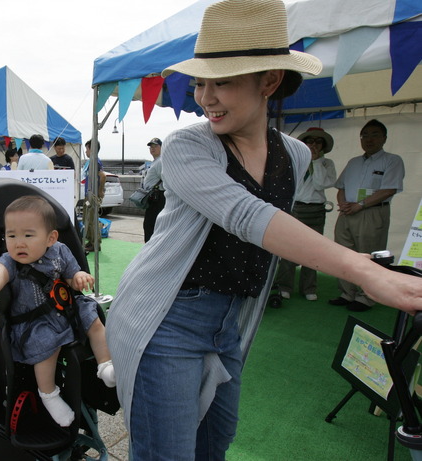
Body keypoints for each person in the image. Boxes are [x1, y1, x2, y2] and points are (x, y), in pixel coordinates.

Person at [105, 1, 422, 460]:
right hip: (167, 317)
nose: (206, 97)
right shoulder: (186, 146)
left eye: (224, 81)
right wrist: (366, 270)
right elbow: (248, 217)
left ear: (269, 81)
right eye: (200, 83)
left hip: (230, 321)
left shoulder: (294, 154)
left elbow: (271, 234)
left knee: (214, 445)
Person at [0, 196, 115, 427]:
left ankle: (105, 365)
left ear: (50, 238)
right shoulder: (9, 261)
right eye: (11, 235)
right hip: (35, 321)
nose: (19, 243)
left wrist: (78, 277)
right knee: (47, 348)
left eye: (28, 235)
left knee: (93, 319)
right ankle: (49, 394)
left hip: (64, 310)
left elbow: (71, 277)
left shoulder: (60, 251)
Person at [328, 119, 405, 312]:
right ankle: (347, 293)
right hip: (347, 213)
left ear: (384, 138)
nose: (369, 139)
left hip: (371, 212)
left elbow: (389, 189)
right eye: (365, 135)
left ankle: (366, 297)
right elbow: (341, 187)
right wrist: (343, 204)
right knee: (343, 253)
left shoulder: (392, 160)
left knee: (368, 253)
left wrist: (360, 205)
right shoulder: (354, 162)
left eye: (374, 134)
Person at [276, 127, 337, 301]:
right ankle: (284, 285)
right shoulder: (295, 161)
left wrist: (316, 161)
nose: (314, 145)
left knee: (314, 250)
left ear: (323, 146)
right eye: (310, 141)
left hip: (316, 210)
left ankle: (309, 287)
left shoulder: (327, 164)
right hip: (296, 208)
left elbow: (320, 184)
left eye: (318, 142)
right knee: (289, 248)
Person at [81, 139, 106, 253]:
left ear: (92, 149)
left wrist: (100, 191)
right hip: (89, 195)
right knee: (87, 218)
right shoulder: (91, 161)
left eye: (87, 149)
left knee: (92, 220)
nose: (86, 151)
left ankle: (95, 243)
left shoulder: (95, 161)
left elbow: (103, 176)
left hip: (93, 195)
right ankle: (91, 241)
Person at [142, 137, 165, 242]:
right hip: (153, 197)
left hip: (158, 197)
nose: (152, 148)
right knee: (149, 225)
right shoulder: (155, 161)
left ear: (161, 147)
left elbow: (166, 180)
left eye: (155, 146)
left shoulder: (160, 162)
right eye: (151, 147)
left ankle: (150, 250)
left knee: (151, 225)